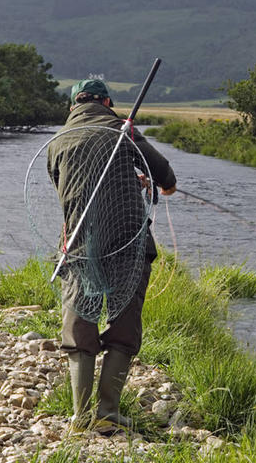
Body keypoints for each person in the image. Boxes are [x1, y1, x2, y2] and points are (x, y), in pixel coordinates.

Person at [46, 78, 176, 431]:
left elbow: (73, 190)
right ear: (106, 102)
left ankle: (79, 416)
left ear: (73, 106)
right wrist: (160, 184)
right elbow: (165, 174)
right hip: (127, 245)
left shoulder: (57, 142)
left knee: (78, 325)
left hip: (79, 246)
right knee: (124, 325)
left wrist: (130, 181)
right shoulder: (122, 129)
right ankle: (108, 412)